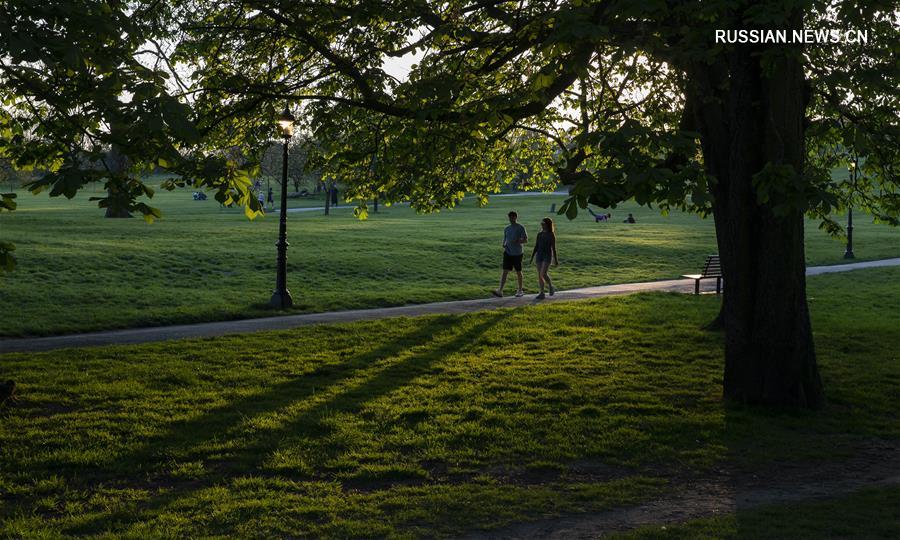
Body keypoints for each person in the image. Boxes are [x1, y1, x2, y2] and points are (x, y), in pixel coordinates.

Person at [492, 211, 528, 298]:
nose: (511, 219)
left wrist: (517, 241)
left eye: (512, 217)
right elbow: (505, 239)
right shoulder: (507, 228)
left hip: (517, 253)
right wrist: (504, 244)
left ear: (516, 217)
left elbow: (525, 240)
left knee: (518, 271)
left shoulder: (520, 227)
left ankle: (520, 290)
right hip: (508, 252)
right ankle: (500, 290)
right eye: (510, 217)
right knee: (505, 271)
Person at [530, 217, 559, 299]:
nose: (542, 225)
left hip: (547, 255)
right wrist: (532, 257)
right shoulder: (539, 234)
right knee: (540, 275)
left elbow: (553, 248)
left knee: (543, 273)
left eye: (543, 223)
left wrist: (555, 260)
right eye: (541, 223)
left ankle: (550, 286)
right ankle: (542, 293)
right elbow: (536, 246)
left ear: (547, 224)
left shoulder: (551, 235)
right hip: (539, 255)